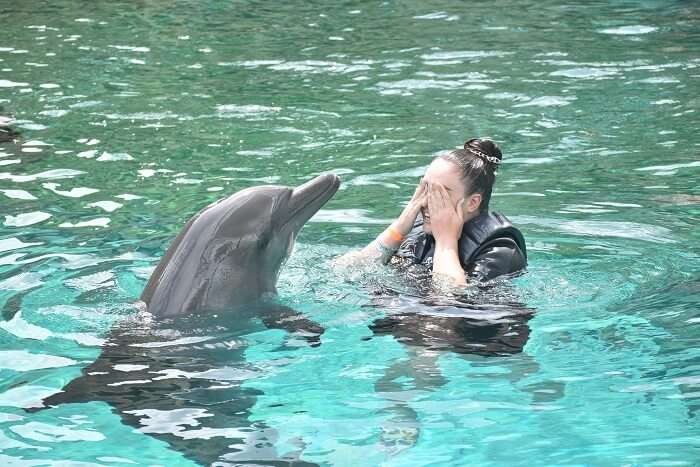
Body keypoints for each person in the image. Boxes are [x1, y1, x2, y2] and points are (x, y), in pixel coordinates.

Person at [341, 138, 527, 286]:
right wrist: (397, 229)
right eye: (426, 189)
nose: (426, 202)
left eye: (440, 194)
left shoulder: (501, 250)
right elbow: (346, 271)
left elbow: (448, 302)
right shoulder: (416, 230)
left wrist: (446, 242)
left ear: (472, 202)